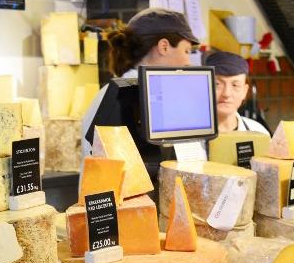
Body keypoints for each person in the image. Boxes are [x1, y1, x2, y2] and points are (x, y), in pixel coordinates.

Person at [80, 8, 199, 157]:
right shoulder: (124, 94)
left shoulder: (127, 90)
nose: (188, 62)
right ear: (164, 47)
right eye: (186, 51)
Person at [204, 50, 270, 135]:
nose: (226, 94)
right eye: (217, 84)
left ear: (244, 91)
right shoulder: (186, 138)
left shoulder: (259, 133)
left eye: (235, 85)